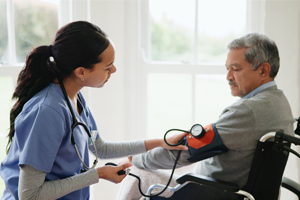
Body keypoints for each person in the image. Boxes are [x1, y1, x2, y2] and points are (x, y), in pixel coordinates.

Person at [0, 21, 188, 200]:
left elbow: (99, 148)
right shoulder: (47, 112)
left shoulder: (73, 97)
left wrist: (161, 142)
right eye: (107, 67)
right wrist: (97, 174)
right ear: (81, 72)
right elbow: (30, 195)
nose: (113, 70)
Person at [127, 33, 295, 199]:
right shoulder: (280, 103)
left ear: (264, 70)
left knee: (137, 173)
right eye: (227, 68)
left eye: (235, 69)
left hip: (212, 191)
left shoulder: (248, 111)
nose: (228, 77)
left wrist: (136, 159)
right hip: (227, 185)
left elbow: (186, 151)